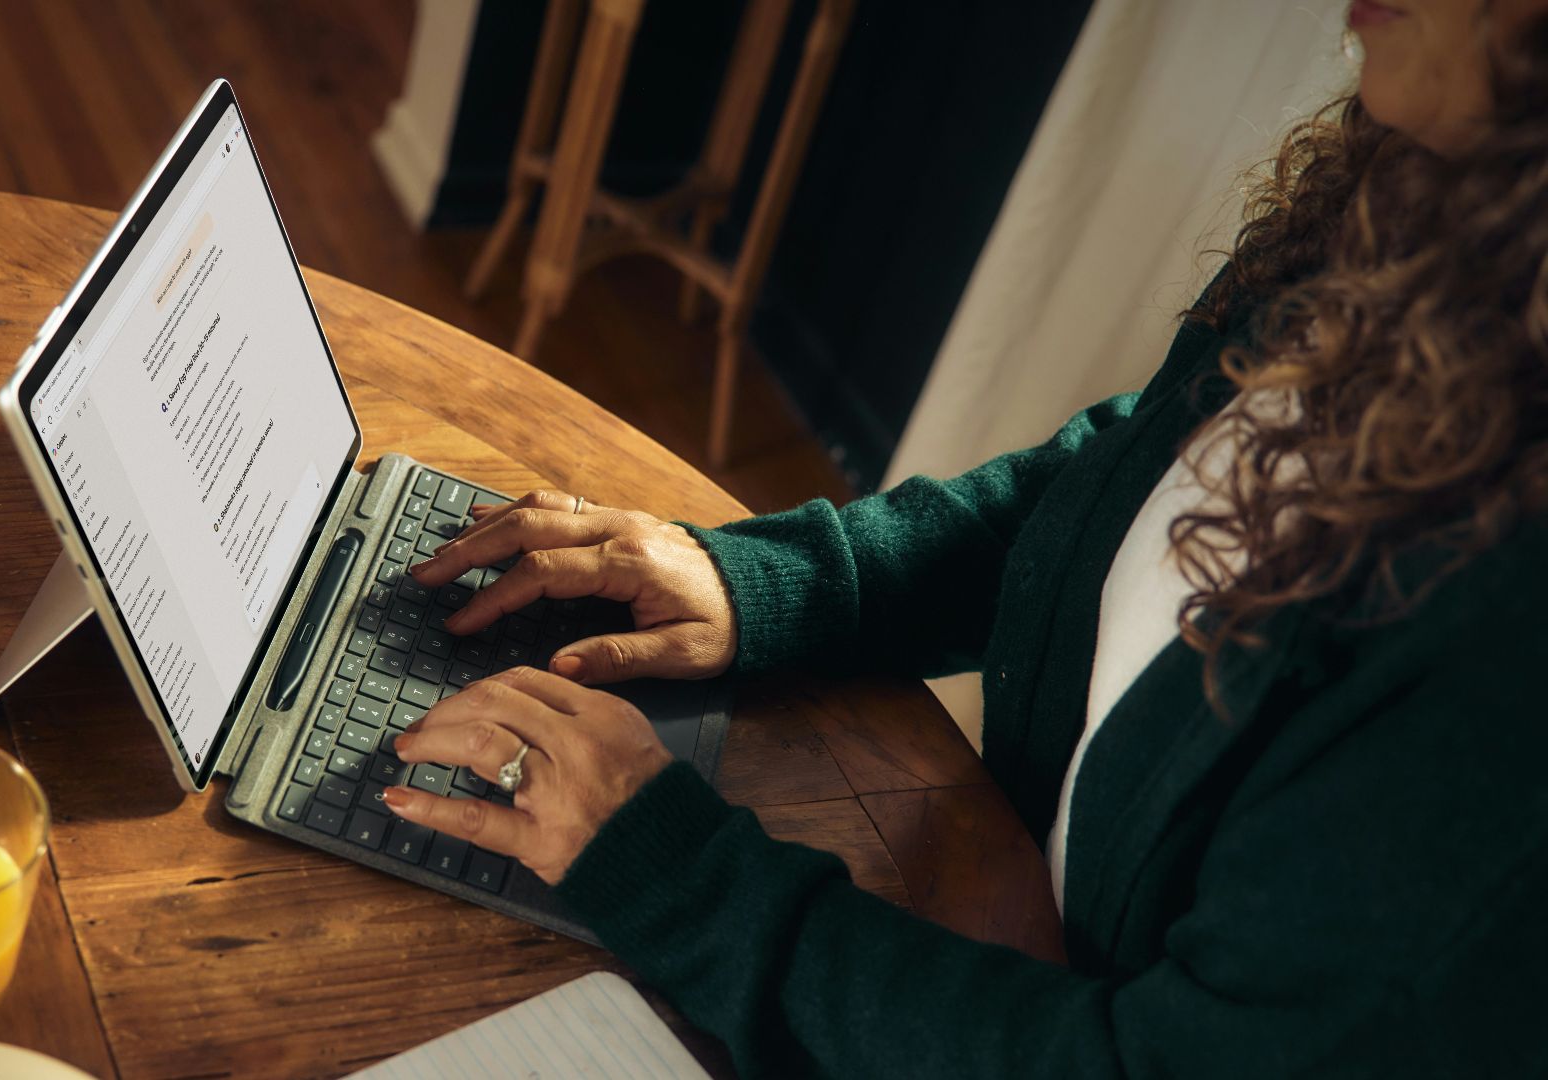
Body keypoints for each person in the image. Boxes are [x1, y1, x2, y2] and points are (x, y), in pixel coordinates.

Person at [379, 0, 1548, 1074]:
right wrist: (772, 582)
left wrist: (672, 872)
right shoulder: (1409, 205)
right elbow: (1126, 486)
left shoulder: (1504, 678)